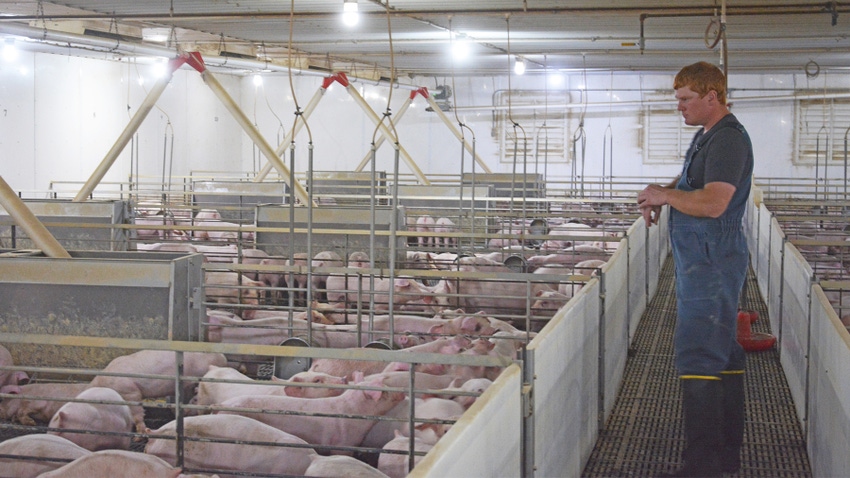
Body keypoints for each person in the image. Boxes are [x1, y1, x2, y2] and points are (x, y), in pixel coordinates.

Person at [637, 61, 754, 477]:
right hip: (705, 259)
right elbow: (692, 187)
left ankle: (703, 467)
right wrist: (663, 194)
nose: (680, 107)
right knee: (720, 348)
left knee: (699, 353)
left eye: (686, 99)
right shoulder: (709, 138)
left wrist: (665, 197)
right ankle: (724, 458)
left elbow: (714, 202)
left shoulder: (727, 141)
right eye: (678, 99)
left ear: (712, 96)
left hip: (711, 260)